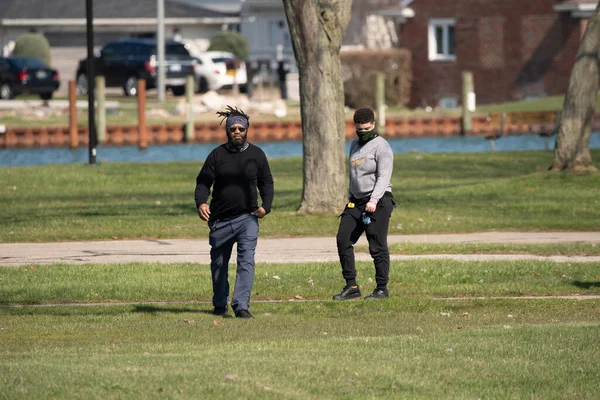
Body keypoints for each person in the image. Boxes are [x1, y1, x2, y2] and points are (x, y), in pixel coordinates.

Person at [195, 105, 274, 319]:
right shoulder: (216, 155)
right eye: (233, 129)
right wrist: (201, 202)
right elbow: (203, 183)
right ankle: (220, 302)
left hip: (247, 218)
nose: (237, 132)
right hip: (220, 220)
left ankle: (241, 305)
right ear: (227, 131)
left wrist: (265, 206)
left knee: (246, 260)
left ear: (247, 129)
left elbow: (266, 183)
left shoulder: (257, 155)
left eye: (241, 128)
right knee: (219, 264)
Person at [333, 107, 395, 301]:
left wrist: (374, 200)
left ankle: (381, 289)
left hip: (378, 200)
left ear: (374, 125)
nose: (363, 132)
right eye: (360, 129)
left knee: (376, 245)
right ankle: (351, 286)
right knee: (343, 239)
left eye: (367, 128)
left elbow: (384, 176)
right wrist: (352, 198)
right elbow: (354, 175)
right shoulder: (354, 145)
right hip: (356, 202)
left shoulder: (381, 146)